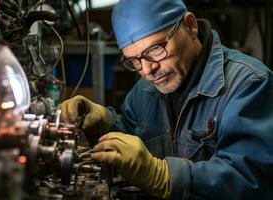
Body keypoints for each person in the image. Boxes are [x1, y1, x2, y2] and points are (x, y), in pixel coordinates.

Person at [59, 0, 273, 199]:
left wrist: (162, 177)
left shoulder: (249, 84)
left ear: (190, 26)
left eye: (155, 49)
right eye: (134, 60)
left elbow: (251, 179)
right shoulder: (144, 90)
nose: (147, 69)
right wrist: (104, 122)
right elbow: (134, 137)